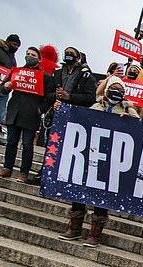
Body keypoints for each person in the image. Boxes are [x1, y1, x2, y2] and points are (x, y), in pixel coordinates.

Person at [57, 76, 139, 247]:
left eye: (121, 90)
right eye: (114, 88)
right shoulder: (95, 106)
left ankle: (95, 233)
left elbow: (139, 128)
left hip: (111, 160)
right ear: (107, 90)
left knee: (102, 195)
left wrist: (130, 121)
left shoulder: (128, 109)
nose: (118, 92)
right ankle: (75, 227)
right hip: (90, 155)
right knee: (80, 190)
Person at [27, 46, 96, 185]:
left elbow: (90, 98)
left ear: (78, 58)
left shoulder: (86, 76)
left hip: (75, 117)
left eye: (72, 53)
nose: (68, 55)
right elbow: (49, 93)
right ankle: (44, 173)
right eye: (67, 53)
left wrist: (69, 96)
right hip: (57, 114)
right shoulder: (57, 73)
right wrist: (55, 97)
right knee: (50, 145)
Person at [0, 47, 54, 182]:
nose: (29, 56)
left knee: (27, 145)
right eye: (27, 54)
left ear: (39, 59)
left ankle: (24, 172)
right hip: (15, 111)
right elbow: (2, 88)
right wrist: (6, 86)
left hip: (31, 114)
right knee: (11, 142)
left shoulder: (45, 77)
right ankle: (7, 168)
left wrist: (41, 110)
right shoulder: (16, 72)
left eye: (33, 55)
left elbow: (50, 97)